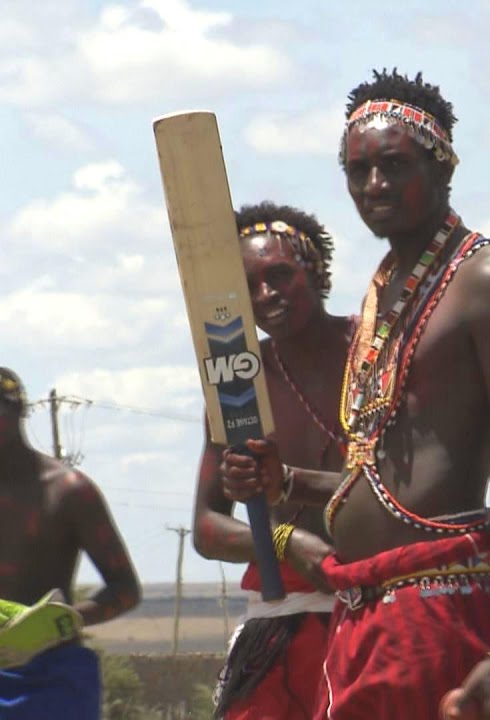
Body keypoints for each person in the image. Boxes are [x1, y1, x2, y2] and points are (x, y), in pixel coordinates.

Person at [221, 69, 490, 720]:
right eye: (358, 170)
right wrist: (285, 481)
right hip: (363, 611)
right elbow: (380, 471)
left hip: (441, 609)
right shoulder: (388, 288)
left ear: (442, 165)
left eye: (394, 165)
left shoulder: (487, 280)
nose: (373, 186)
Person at [191, 202, 349, 719]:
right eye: (249, 285)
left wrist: (288, 485)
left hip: (375, 617)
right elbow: (207, 527)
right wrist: (283, 542)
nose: (266, 295)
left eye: (280, 275)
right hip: (281, 635)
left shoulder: (375, 354)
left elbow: (401, 488)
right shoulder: (237, 377)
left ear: (317, 271)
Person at [0, 367, 141, 718]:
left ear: (18, 410)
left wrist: (57, 624)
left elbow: (125, 589)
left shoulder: (67, 491)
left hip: (53, 682)